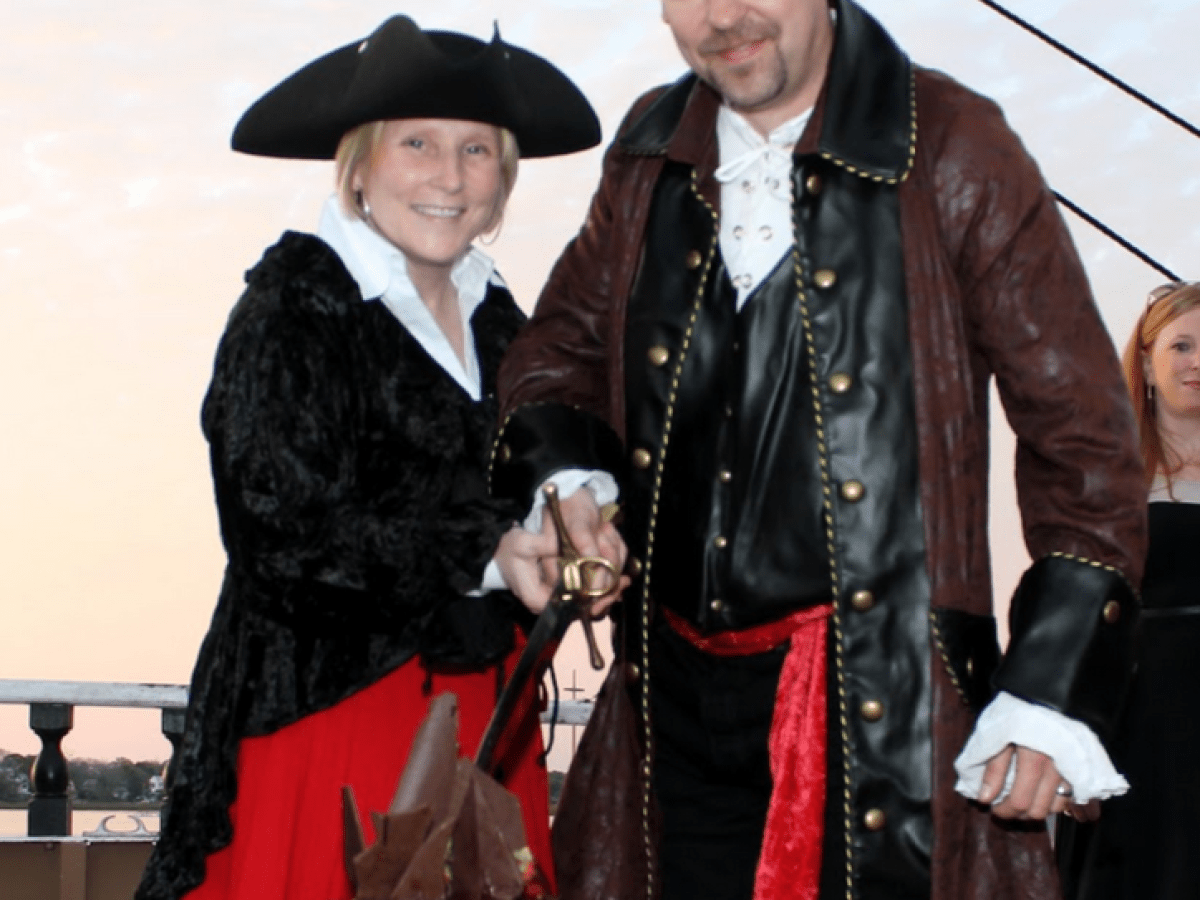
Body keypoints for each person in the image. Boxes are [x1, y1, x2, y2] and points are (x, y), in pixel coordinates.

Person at [488, 1, 1148, 898]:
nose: (725, 16)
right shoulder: (647, 151)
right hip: (665, 705)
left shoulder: (951, 141)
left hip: (882, 709)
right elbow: (556, 354)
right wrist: (568, 482)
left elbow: (1084, 436)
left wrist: (1049, 685)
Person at [134, 16, 600, 900]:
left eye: (476, 150)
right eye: (418, 143)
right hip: (333, 723)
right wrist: (486, 553)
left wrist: (578, 524)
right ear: (359, 164)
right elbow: (281, 535)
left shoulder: (502, 319)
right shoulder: (295, 307)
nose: (449, 175)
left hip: (487, 727)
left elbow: (559, 442)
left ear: (503, 177)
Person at [1058, 280, 1200, 900]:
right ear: (1145, 361)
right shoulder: (1105, 475)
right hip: (1134, 720)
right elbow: (1072, 614)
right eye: (1182, 345)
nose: (1198, 363)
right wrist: (1067, 739)